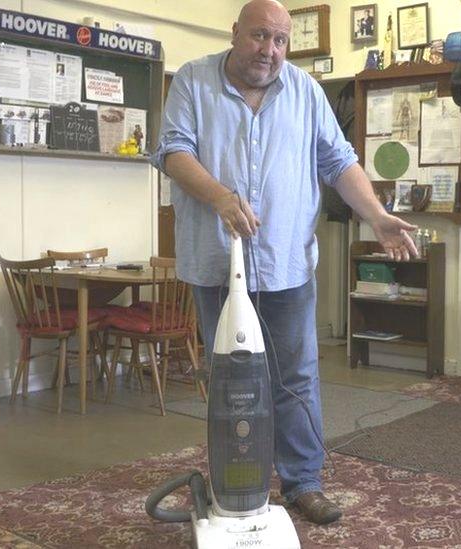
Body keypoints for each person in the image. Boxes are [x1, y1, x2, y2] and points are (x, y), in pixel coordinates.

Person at [153, 0, 417, 526]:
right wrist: (221, 197)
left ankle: (302, 482)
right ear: (234, 33)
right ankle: (235, 477)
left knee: (295, 376)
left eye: (279, 41)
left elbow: (339, 161)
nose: (268, 51)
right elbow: (174, 152)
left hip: (285, 265)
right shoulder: (192, 82)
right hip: (215, 265)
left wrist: (379, 217)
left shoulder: (306, 92)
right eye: (258, 37)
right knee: (228, 374)